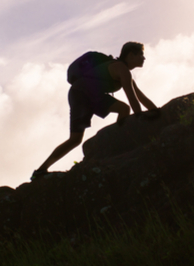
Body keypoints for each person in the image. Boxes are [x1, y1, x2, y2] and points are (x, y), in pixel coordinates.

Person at [31, 42, 158, 180]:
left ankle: (40, 171)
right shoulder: (121, 69)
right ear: (131, 55)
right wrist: (140, 118)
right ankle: (41, 170)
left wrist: (157, 112)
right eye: (141, 55)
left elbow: (141, 97)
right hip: (82, 93)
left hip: (81, 93)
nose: (143, 58)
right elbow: (132, 98)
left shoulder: (124, 72)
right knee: (78, 137)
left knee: (75, 139)